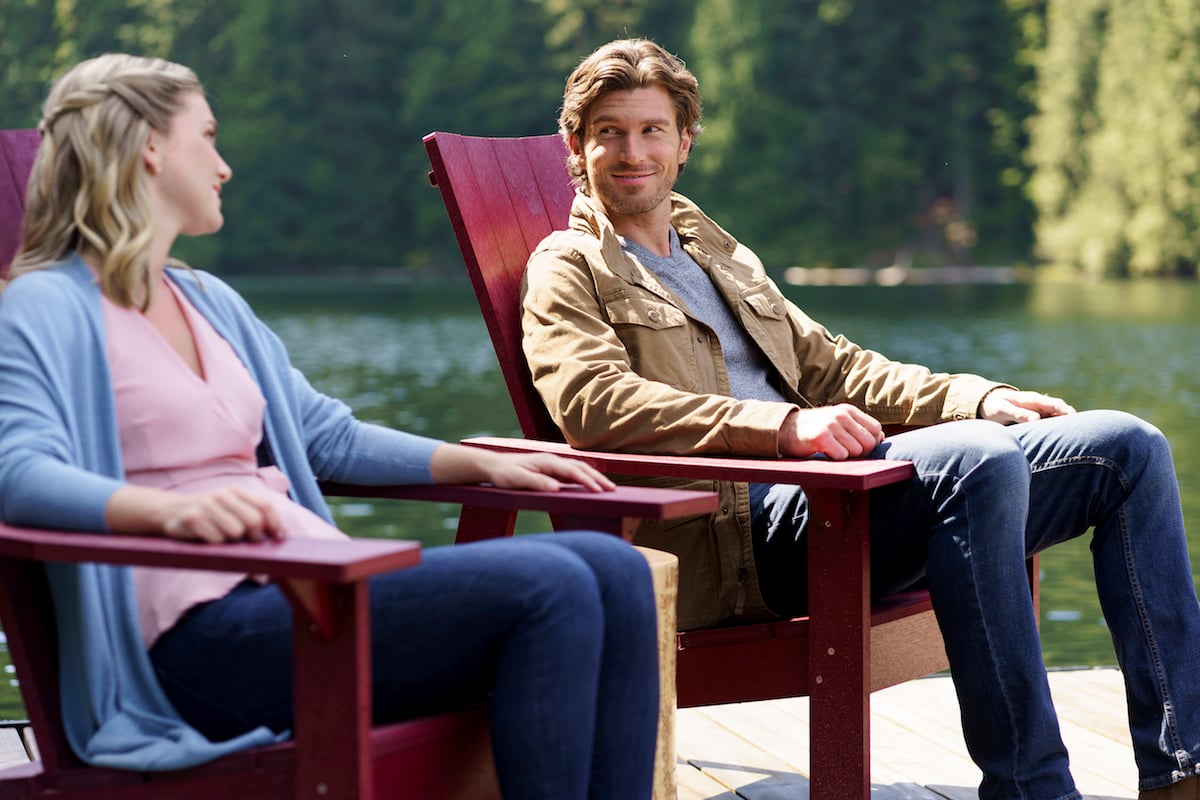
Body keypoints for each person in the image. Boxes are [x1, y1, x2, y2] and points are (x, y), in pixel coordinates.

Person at [520, 37, 1200, 800]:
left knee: (1127, 448)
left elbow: (833, 368)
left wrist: (972, 397)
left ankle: (1180, 771)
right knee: (978, 460)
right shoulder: (566, 265)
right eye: (609, 130)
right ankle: (1031, 788)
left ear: (683, 144)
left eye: (651, 130)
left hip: (842, 497)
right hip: (743, 535)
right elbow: (592, 405)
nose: (630, 151)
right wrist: (779, 431)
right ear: (576, 147)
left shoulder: (716, 252)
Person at [0, 53, 661, 799]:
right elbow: (16, 474)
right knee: (552, 585)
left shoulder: (205, 299)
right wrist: (172, 511)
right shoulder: (43, 306)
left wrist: (481, 462)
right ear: (149, 146)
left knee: (614, 572)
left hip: (302, 595)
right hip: (194, 643)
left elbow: (326, 435)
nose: (223, 166)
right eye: (208, 137)